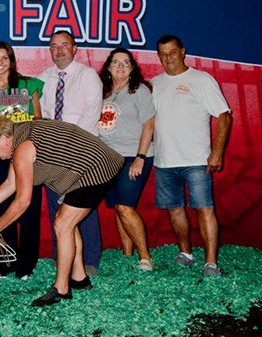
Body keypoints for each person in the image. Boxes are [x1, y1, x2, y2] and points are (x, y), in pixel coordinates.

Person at [0, 116, 124, 306]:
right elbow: (10, 184)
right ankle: (79, 278)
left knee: (63, 224)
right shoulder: (19, 138)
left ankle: (61, 290)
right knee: (66, 221)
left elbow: (22, 201)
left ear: (4, 139)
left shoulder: (22, 148)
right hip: (87, 167)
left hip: (96, 167)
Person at [153, 34, 231, 276]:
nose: (168, 58)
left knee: (204, 208)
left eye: (173, 52)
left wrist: (217, 151)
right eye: (163, 54)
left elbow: (224, 115)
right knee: (174, 209)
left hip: (197, 160)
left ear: (183, 52)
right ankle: (185, 253)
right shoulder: (153, 84)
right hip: (164, 160)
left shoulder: (201, 79)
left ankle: (211, 262)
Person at [37, 30, 103, 275]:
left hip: (81, 151)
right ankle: (62, 257)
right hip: (52, 153)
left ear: (75, 49)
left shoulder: (88, 76)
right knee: (57, 208)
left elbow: (91, 113)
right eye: (54, 46)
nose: (59, 50)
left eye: (65, 45)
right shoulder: (43, 78)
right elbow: (41, 114)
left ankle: (90, 260)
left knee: (82, 207)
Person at [0, 41, 44, 279]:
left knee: (29, 207)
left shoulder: (28, 85)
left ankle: (27, 263)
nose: (0, 62)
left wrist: (22, 134)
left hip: (28, 151)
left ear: (12, 60)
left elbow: (38, 118)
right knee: (4, 205)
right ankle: (5, 259)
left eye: (4, 57)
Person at [97, 48, 155, 271]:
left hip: (134, 155)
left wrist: (140, 157)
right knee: (118, 207)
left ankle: (145, 257)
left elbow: (149, 125)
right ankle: (127, 253)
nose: (120, 66)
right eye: (115, 62)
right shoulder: (103, 92)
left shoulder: (139, 90)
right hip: (109, 158)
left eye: (126, 62)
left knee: (125, 206)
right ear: (108, 67)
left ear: (132, 68)